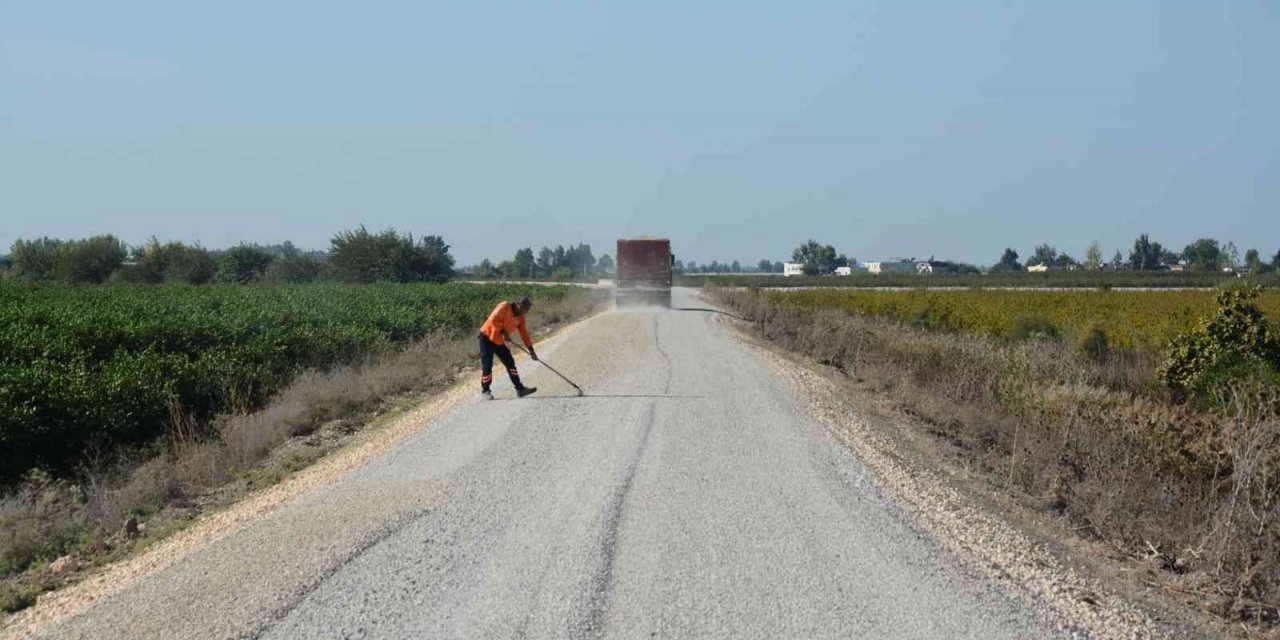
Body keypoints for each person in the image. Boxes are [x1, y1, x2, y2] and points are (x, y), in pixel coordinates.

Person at [478, 296, 538, 399]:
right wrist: (503, 332)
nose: (525, 312)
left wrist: (531, 350)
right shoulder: (504, 306)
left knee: (510, 363)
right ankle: (486, 390)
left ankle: (520, 389)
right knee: (487, 365)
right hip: (486, 337)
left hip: (498, 340)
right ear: (518, 305)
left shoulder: (520, 318)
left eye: (527, 310)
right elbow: (492, 319)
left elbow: (524, 335)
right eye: (524, 309)